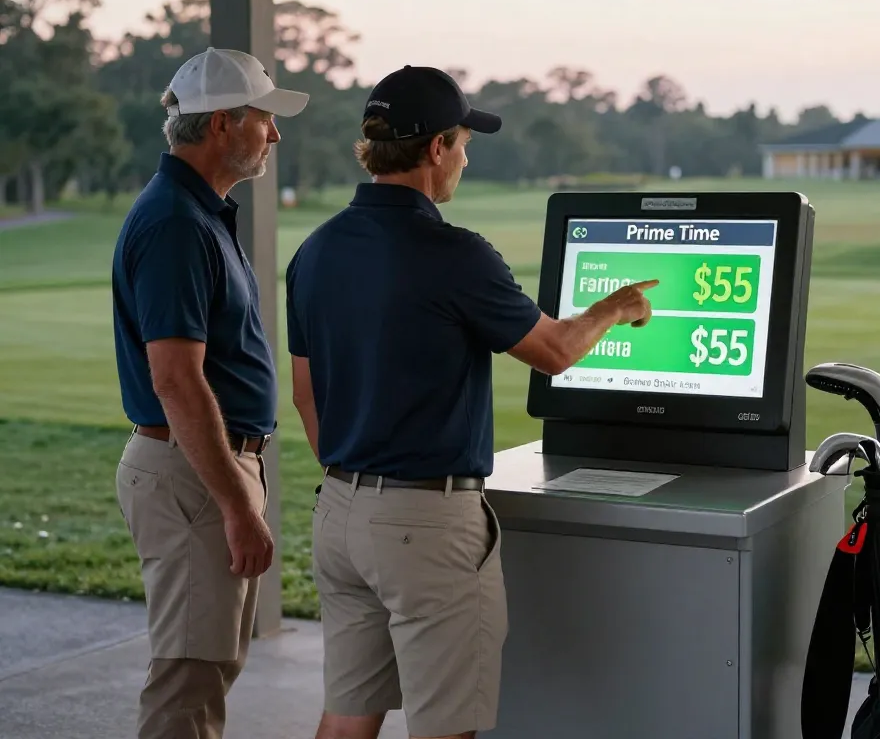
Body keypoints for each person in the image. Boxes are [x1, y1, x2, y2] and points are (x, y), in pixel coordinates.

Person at [285, 65, 657, 739]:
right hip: (424, 526)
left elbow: (306, 394)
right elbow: (554, 351)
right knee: (445, 726)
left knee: (346, 718)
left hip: (339, 513)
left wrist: (360, 481)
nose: (464, 157)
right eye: (462, 143)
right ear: (435, 149)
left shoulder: (316, 250)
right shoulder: (454, 254)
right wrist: (617, 305)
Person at [111, 47, 310, 739]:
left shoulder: (197, 213)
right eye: (264, 118)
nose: (274, 135)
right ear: (224, 123)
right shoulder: (175, 224)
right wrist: (234, 505)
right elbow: (174, 378)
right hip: (194, 477)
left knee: (206, 672)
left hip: (203, 471)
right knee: (188, 682)